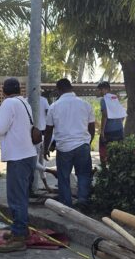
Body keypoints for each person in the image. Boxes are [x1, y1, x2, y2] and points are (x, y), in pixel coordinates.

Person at [0, 78, 37, 253]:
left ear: (3, 91)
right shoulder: (24, 103)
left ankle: (18, 237)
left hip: (18, 158)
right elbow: (10, 126)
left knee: (16, 199)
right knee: (21, 197)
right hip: (26, 156)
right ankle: (21, 230)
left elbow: (0, 129)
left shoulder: (8, 103)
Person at [44, 78, 95, 209]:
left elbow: (49, 130)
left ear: (58, 90)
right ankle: (83, 200)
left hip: (64, 148)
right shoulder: (85, 104)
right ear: (71, 88)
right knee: (84, 174)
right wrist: (88, 142)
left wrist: (46, 148)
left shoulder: (54, 107)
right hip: (82, 145)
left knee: (63, 177)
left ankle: (66, 206)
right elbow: (92, 127)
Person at [97, 81, 126, 163]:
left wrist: (102, 131)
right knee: (117, 152)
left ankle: (104, 170)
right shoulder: (115, 98)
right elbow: (122, 113)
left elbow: (105, 115)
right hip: (119, 130)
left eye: (100, 90)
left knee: (104, 151)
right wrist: (119, 123)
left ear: (106, 89)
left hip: (109, 131)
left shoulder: (104, 99)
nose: (99, 92)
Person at [31, 95, 55, 193]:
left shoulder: (50, 137)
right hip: (36, 135)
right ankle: (30, 188)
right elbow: (35, 164)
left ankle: (45, 185)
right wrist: (50, 171)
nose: (52, 151)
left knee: (41, 162)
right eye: (52, 149)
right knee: (34, 163)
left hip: (39, 134)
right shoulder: (43, 100)